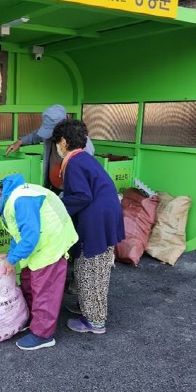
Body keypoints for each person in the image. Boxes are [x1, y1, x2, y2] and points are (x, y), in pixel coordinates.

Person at [0, 171, 78, 350]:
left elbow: (29, 236)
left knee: (44, 291)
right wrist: (11, 254)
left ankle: (43, 335)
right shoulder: (10, 198)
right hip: (40, 243)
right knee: (28, 282)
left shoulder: (21, 199)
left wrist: (13, 259)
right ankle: (33, 319)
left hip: (51, 245)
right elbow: (18, 232)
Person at [51, 119, 125, 334]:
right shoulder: (84, 158)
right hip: (104, 216)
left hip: (96, 221)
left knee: (91, 270)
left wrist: (54, 206)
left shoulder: (73, 163)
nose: (57, 147)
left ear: (63, 141)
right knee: (92, 266)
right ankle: (87, 306)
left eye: (57, 142)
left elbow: (82, 196)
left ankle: (95, 320)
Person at [5, 104, 94, 190]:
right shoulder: (48, 135)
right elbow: (36, 135)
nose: (51, 135)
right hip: (53, 186)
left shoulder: (82, 141)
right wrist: (20, 142)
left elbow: (85, 176)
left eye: (53, 131)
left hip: (70, 190)